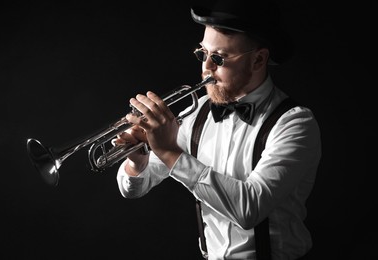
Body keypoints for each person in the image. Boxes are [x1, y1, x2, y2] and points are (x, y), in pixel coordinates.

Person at [115, 0, 321, 259]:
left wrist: (169, 152)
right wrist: (138, 161)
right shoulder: (197, 112)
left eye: (219, 58)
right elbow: (134, 188)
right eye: (203, 53)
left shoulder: (295, 123)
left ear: (258, 60)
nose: (206, 68)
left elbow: (249, 209)